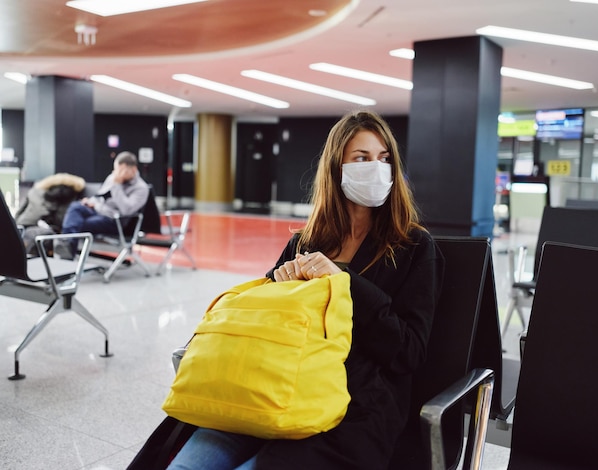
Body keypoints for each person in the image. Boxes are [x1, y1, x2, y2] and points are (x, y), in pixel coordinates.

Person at [165, 110, 445, 470]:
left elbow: (409, 350)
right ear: (336, 168)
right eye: (362, 158)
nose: (376, 168)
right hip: (269, 385)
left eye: (384, 158)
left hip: (352, 407)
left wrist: (344, 283)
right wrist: (279, 287)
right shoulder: (307, 241)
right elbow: (263, 316)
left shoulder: (414, 247)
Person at [54, 151, 149, 260]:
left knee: (80, 224)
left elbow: (126, 210)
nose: (117, 173)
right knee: (76, 207)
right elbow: (100, 195)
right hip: (97, 210)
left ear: (133, 169)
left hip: (113, 220)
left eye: (121, 170)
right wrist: (91, 201)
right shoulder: (112, 177)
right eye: (116, 169)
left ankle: (68, 254)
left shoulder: (141, 188)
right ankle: (67, 245)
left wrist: (117, 185)